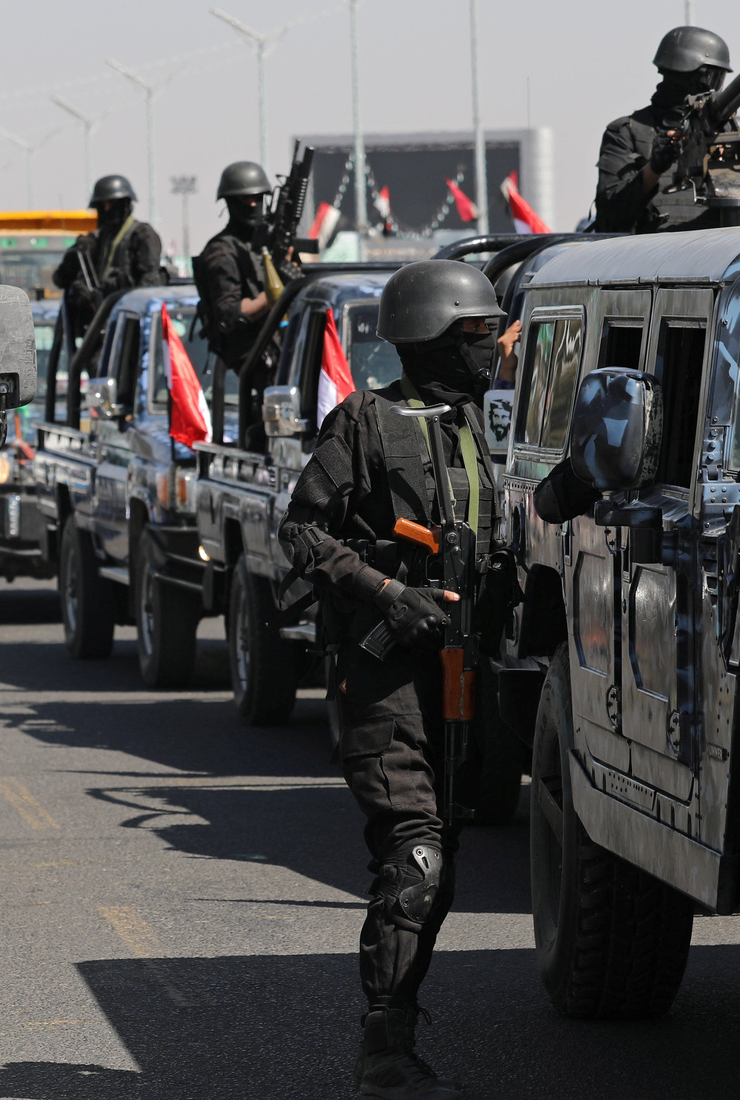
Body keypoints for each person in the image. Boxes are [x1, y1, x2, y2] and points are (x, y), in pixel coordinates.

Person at [278, 259, 505, 1100]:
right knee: (414, 859)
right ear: (430, 336)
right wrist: (387, 593)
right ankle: (385, 1055)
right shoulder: (364, 424)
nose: (488, 349)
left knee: (442, 860)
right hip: (384, 676)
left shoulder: (482, 427)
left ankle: (397, 1033)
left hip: (460, 675)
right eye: (474, 334)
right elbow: (300, 534)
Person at [593, 25, 733, 234]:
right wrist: (654, 168)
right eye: (712, 78)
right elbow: (613, 211)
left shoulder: (727, 131)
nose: (715, 89)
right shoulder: (626, 132)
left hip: (713, 258)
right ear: (689, 77)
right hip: (646, 260)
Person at [193, 161, 274, 445]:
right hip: (252, 353)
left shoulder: (269, 245)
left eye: (258, 197)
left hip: (281, 341)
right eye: (244, 198)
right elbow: (229, 314)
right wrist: (279, 292)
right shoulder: (221, 252)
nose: (253, 204)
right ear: (229, 202)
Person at [52, 174, 166, 335]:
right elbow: (60, 278)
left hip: (131, 322)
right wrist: (80, 287)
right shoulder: (94, 240)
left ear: (124, 204)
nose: (106, 209)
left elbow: (149, 285)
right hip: (99, 321)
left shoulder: (142, 235)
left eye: (111, 204)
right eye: (103, 205)